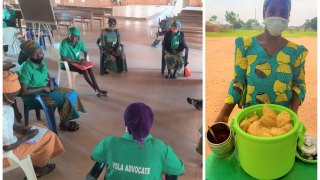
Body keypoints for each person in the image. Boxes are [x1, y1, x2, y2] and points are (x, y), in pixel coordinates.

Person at [215, 0, 308, 123]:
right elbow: (238, 83)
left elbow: (299, 85)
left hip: (281, 122)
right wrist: (224, 115)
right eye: (272, 11)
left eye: (284, 12)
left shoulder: (296, 52)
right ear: (264, 13)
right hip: (251, 120)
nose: (278, 16)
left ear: (288, 16)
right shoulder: (245, 46)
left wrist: (293, 114)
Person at [91, 103, 185, 180]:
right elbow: (181, 171)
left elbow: (94, 156)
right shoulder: (161, 149)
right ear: (149, 126)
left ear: (125, 125)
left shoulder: (109, 142)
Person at [3, 71, 65, 179]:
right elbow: (8, 146)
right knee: (48, 136)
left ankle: (37, 162)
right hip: (4, 157)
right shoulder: (5, 110)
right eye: (12, 96)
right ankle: (40, 169)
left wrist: (16, 127)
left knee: (38, 127)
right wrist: (26, 137)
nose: (14, 100)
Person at [17, 40, 87, 132]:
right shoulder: (25, 68)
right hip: (33, 98)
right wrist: (42, 88)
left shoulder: (41, 62)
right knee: (65, 99)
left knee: (72, 92)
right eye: (35, 54)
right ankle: (64, 124)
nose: (39, 56)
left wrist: (50, 83)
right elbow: (23, 92)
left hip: (45, 90)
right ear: (28, 55)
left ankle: (65, 120)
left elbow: (47, 74)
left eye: (40, 53)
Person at [60, 27, 108, 97]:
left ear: (78, 37)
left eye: (75, 36)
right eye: (71, 36)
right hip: (66, 64)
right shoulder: (64, 42)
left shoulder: (79, 42)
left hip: (76, 62)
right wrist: (77, 61)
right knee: (84, 71)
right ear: (68, 35)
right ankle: (96, 90)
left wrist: (85, 59)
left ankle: (97, 89)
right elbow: (63, 58)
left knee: (89, 68)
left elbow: (85, 51)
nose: (73, 38)